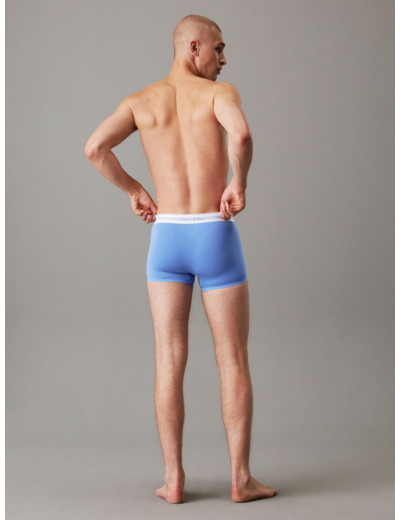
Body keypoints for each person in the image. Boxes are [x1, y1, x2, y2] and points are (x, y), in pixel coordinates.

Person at [84, 14, 277, 504]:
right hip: (214, 234)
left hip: (166, 236)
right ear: (194, 47)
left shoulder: (140, 101)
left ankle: (173, 481)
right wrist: (238, 183)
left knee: (169, 359)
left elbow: (95, 148)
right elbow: (242, 137)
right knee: (232, 358)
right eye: (218, 48)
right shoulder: (218, 94)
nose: (224, 59)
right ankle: (241, 480)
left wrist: (134, 189)